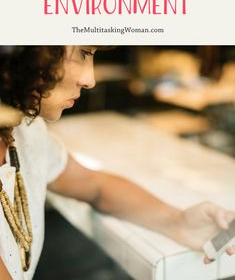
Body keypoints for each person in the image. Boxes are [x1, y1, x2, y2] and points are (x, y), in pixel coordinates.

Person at [0, 45, 234, 280]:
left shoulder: (27, 131)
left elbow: (94, 185)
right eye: (82, 53)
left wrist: (179, 222)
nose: (89, 80)